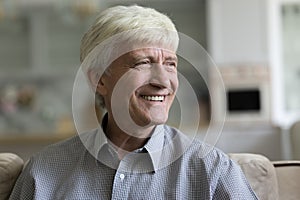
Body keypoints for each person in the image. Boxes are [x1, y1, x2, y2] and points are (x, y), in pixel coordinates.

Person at [10, 5, 258, 199]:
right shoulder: (42, 173)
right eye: (143, 63)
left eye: (170, 64)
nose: (163, 81)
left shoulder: (214, 171)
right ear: (99, 80)